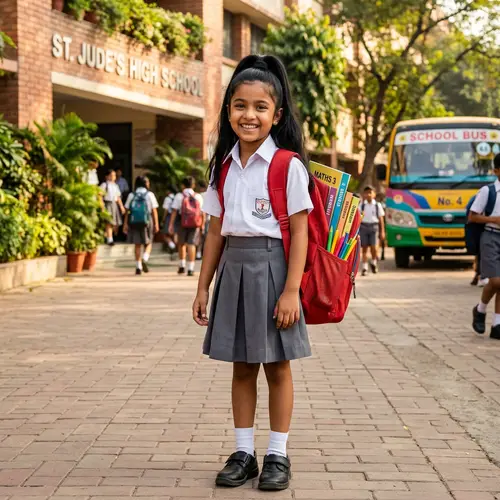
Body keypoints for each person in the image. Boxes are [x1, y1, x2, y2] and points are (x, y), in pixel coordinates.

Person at [192, 54, 313, 491]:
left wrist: (291, 291)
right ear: (228, 110)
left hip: (276, 268)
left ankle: (278, 455)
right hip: (234, 270)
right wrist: (203, 286)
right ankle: (244, 452)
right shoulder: (223, 168)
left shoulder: (287, 165)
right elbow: (215, 232)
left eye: (260, 107)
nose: (250, 115)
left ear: (276, 114)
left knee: (277, 366)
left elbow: (299, 232)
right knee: (241, 366)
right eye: (240, 105)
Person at [470, 154, 500, 339]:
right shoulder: (488, 191)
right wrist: (493, 219)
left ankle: (497, 323)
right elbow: (473, 216)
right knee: (497, 281)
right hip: (491, 237)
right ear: (496, 171)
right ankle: (480, 310)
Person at [123, 175, 160, 275]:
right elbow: (154, 210)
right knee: (149, 242)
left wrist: (125, 224)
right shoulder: (150, 194)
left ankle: (138, 266)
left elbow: (127, 211)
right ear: (145, 183)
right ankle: (145, 258)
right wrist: (156, 224)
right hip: (147, 221)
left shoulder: (132, 195)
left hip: (134, 221)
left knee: (137, 244)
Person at [168, 176, 204, 276]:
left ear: (183, 185)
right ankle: (191, 268)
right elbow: (202, 212)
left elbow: (174, 211)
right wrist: (202, 224)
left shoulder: (179, 196)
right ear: (193, 185)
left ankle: (182, 266)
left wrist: (171, 224)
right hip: (195, 223)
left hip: (182, 222)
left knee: (181, 244)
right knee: (192, 244)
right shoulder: (198, 196)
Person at [359, 186, 385, 276]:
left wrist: (382, 232)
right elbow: (358, 218)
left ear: (374, 194)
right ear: (364, 194)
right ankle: (365, 268)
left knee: (374, 248)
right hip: (364, 227)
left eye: (370, 192)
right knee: (364, 248)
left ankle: (374, 262)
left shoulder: (377, 205)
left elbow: (381, 219)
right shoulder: (362, 205)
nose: (368, 194)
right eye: (366, 193)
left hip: (374, 227)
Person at [100, 169, 125, 246]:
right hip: (108, 203)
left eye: (114, 175)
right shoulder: (104, 185)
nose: (113, 177)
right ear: (107, 176)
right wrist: (101, 205)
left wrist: (121, 206)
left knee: (115, 223)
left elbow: (118, 197)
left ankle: (110, 236)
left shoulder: (115, 186)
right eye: (111, 175)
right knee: (109, 223)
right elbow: (100, 195)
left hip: (114, 204)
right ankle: (109, 239)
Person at [161, 188, 177, 254]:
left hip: (169, 216)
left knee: (165, 234)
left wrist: (163, 219)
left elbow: (166, 210)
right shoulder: (177, 197)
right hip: (177, 217)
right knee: (175, 233)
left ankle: (172, 246)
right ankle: (176, 247)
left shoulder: (167, 198)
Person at [196, 179, 209, 260]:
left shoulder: (199, 195)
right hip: (210, 219)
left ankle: (198, 253)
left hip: (200, 219)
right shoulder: (210, 194)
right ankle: (207, 254)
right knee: (208, 238)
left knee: (200, 237)